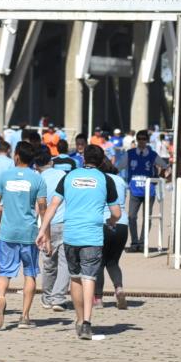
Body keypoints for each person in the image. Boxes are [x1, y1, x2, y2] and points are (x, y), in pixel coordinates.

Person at [37, 144, 120, 340]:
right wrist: (111, 220)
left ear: (83, 159)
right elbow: (116, 212)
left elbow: (53, 205)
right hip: (92, 235)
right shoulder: (105, 179)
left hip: (71, 235)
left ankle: (79, 317)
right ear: (101, 162)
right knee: (89, 277)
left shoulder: (68, 177)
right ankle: (87, 322)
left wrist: (42, 230)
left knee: (75, 277)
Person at [0, 140, 47, 330]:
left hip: (7, 231)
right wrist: (45, 233)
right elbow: (43, 208)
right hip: (29, 232)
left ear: (17, 156)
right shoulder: (38, 178)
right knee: (30, 273)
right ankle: (24, 317)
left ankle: (0, 297)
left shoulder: (4, 176)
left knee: (4, 272)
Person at [38, 154, 74, 311]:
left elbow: (37, 205)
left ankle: (46, 297)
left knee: (48, 262)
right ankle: (58, 297)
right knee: (65, 262)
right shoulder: (63, 175)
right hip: (65, 223)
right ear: (51, 162)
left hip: (46, 224)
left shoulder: (38, 178)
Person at [118, 129, 161, 252]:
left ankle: (142, 243)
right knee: (131, 217)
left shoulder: (152, 154)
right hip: (134, 191)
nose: (141, 141)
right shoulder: (130, 153)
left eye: (144, 139)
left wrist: (163, 173)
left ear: (147, 140)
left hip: (149, 191)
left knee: (147, 217)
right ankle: (134, 242)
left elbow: (164, 166)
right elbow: (117, 167)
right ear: (136, 140)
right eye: (139, 139)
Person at [94, 157, 129, 308]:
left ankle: (98, 298)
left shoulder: (100, 180)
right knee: (113, 261)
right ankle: (118, 288)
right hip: (122, 223)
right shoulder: (121, 181)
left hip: (104, 221)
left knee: (99, 262)